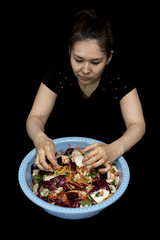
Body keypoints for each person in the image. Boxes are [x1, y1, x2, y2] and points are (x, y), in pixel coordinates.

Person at [26, 9, 146, 173]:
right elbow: (36, 117)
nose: (85, 69)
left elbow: (137, 124)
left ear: (108, 58)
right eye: (78, 60)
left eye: (95, 62)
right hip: (61, 153)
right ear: (70, 51)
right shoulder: (58, 69)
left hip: (105, 154)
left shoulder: (118, 75)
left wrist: (115, 148)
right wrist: (39, 138)